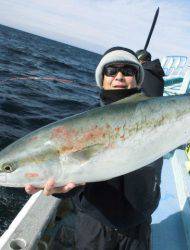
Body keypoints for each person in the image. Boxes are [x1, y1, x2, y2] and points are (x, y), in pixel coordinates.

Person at [25, 47, 163, 250]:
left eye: (128, 70)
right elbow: (73, 180)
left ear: (139, 78)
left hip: (139, 223)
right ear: (102, 78)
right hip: (95, 223)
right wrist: (60, 190)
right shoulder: (81, 126)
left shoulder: (158, 115)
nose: (119, 76)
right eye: (111, 70)